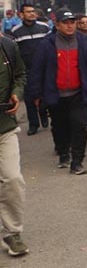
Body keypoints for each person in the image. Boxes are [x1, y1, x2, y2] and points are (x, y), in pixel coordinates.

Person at [28, 8, 87, 175]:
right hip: (56, 94)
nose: (70, 26)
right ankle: (63, 153)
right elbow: (37, 71)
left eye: (72, 23)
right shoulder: (47, 44)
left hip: (78, 94)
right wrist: (36, 94)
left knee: (80, 126)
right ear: (57, 25)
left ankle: (77, 162)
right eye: (65, 23)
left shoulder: (83, 42)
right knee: (60, 126)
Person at [0, 32, 28, 256]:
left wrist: (17, 93)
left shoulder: (8, 47)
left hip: (4, 128)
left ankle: (12, 233)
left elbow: (20, 75)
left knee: (12, 178)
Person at [9, 4, 51, 135]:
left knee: (44, 95)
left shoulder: (44, 27)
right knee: (29, 98)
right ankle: (33, 124)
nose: (32, 14)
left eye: (33, 11)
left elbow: (50, 45)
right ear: (21, 14)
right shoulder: (16, 31)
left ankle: (44, 114)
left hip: (44, 68)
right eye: (28, 12)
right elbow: (14, 51)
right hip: (27, 69)